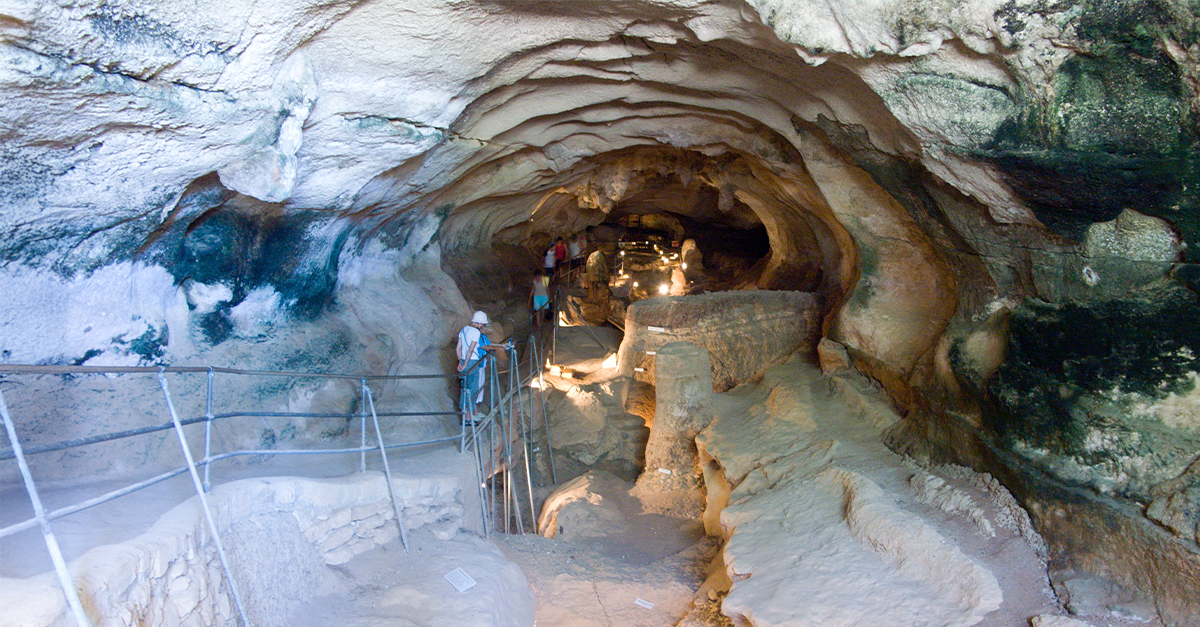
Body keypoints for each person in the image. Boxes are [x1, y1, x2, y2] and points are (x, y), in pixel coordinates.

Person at [456, 311, 505, 424]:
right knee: (472, 390)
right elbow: (471, 350)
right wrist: (466, 363)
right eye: (482, 324)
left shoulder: (464, 330)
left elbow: (458, 348)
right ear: (479, 323)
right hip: (472, 362)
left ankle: (464, 417)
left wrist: (460, 362)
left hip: (462, 360)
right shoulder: (475, 333)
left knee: (464, 389)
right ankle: (468, 419)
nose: (482, 326)